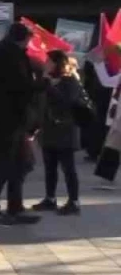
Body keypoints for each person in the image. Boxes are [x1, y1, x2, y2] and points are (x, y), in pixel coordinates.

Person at [0, 23, 41, 225]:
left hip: (5, 117)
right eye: (29, 39)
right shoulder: (12, 57)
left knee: (19, 164)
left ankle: (14, 206)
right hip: (10, 117)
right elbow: (21, 86)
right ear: (23, 38)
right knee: (3, 164)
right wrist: (44, 82)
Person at [33, 51, 90, 216]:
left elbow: (66, 102)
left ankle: (74, 201)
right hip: (49, 130)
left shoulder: (70, 80)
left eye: (48, 61)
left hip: (66, 129)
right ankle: (50, 198)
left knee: (68, 168)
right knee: (49, 167)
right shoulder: (47, 80)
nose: (46, 63)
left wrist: (50, 85)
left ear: (57, 63)